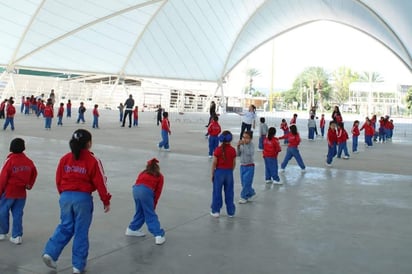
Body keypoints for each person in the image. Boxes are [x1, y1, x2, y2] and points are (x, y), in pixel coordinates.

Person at [42, 129, 111, 274]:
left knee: (65, 226)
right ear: (89, 143)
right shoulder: (93, 160)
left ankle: (50, 252)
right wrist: (106, 200)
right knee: (81, 231)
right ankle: (78, 265)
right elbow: (101, 181)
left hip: (66, 197)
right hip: (83, 199)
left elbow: (58, 179)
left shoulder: (65, 158)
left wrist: (63, 194)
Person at [0, 138, 37, 244]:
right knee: (18, 213)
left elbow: (3, 177)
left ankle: (2, 232)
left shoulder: (10, 160)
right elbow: (34, 172)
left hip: (9, 191)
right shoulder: (28, 161)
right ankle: (17, 236)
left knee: (2, 211)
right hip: (21, 192)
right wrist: (29, 184)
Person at [125, 158, 166, 245]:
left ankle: (132, 229)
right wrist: (153, 205)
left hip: (135, 190)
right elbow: (158, 192)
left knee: (140, 211)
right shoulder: (160, 176)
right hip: (146, 191)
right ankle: (158, 235)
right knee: (150, 214)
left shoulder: (143, 173)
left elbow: (137, 183)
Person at [210, 131, 236, 217]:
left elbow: (214, 163)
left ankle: (216, 210)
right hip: (229, 172)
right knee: (229, 192)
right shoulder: (233, 150)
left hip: (219, 172)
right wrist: (230, 171)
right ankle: (230, 212)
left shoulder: (217, 150)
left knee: (217, 191)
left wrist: (212, 174)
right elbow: (234, 163)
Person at [237, 131, 256, 204]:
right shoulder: (242, 145)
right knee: (243, 182)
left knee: (247, 182)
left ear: (251, 139)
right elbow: (238, 154)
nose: (245, 139)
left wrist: (244, 145)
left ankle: (243, 197)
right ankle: (250, 192)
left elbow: (249, 153)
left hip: (250, 166)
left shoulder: (251, 145)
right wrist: (238, 146)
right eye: (243, 137)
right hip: (242, 166)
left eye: (247, 138)